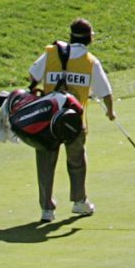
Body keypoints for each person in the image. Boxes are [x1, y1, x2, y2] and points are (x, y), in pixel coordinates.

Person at [28, 18, 114, 224]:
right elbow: (106, 92)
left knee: (45, 161)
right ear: (89, 38)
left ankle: (46, 209)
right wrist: (111, 112)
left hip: (47, 119)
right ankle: (79, 201)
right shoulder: (91, 61)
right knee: (76, 161)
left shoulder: (51, 53)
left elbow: (33, 76)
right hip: (74, 122)